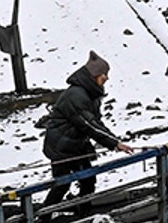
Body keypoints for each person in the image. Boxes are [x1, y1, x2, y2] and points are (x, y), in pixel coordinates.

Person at [40, 52, 135, 211]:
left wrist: (114, 141)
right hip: (61, 147)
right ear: (95, 75)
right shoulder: (75, 95)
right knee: (62, 184)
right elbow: (88, 124)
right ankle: (43, 217)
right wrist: (114, 143)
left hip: (77, 145)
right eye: (104, 74)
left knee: (88, 179)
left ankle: (84, 213)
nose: (107, 78)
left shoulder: (91, 95)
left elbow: (95, 122)